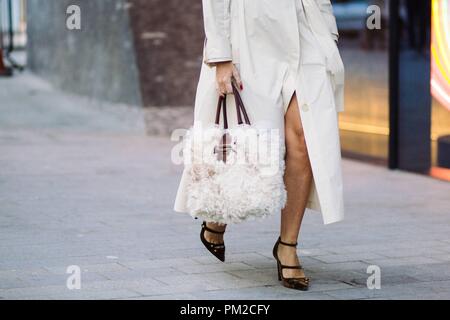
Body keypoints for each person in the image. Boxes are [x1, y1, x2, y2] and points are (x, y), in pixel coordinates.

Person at [174, 0, 345, 291]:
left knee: (305, 137)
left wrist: (327, 30)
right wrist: (220, 56)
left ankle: (287, 245)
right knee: (246, 137)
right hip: (246, 33)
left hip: (304, 27)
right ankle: (218, 216)